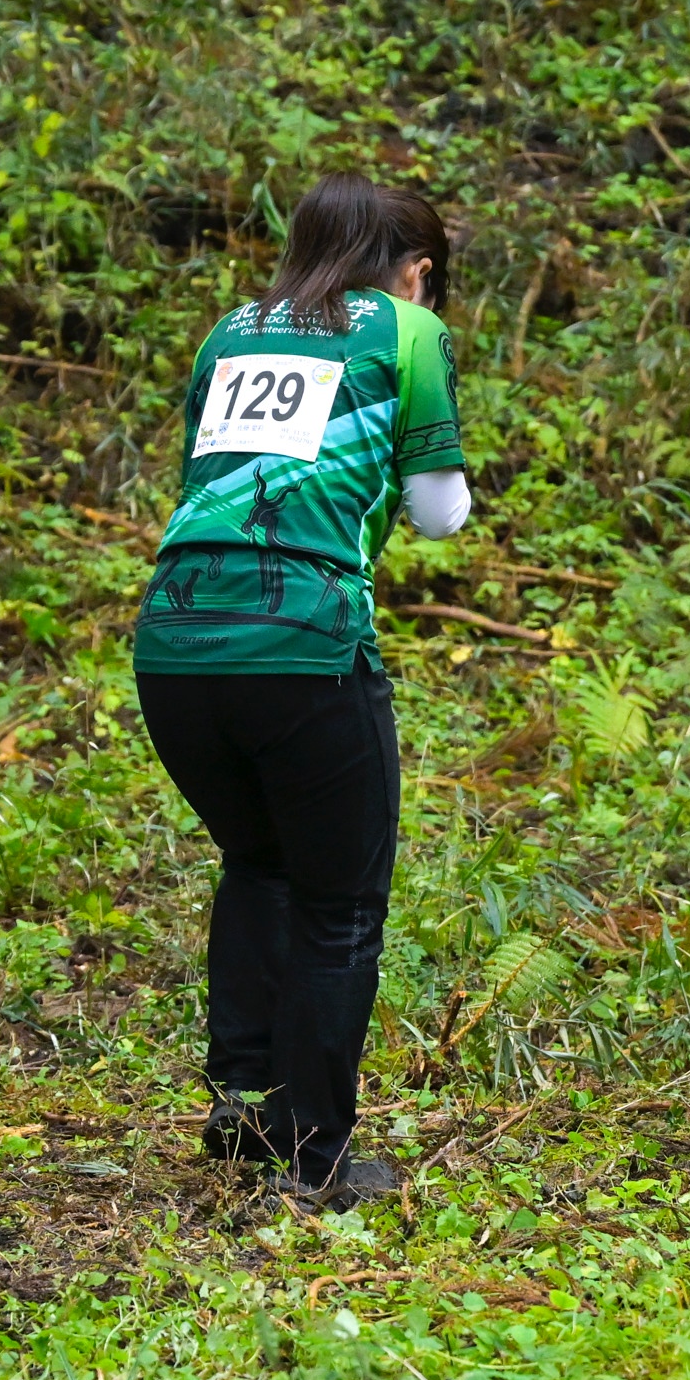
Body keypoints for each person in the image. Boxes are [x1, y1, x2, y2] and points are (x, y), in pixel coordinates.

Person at [134, 171, 471, 1207]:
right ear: (417, 271)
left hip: (174, 645)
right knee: (340, 906)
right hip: (306, 642)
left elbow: (205, 474)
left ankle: (243, 1109)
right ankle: (315, 1159)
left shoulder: (230, 331)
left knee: (259, 863)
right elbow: (440, 514)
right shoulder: (407, 331)